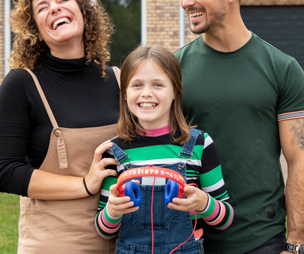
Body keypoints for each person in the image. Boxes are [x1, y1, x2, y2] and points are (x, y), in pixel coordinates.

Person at [174, 0, 304, 254]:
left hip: (261, 238)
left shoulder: (282, 68)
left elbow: (300, 159)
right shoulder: (173, 70)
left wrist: (295, 244)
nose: (186, 1)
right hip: (187, 238)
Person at [0, 0, 120, 253]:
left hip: (125, 240)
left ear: (84, 12)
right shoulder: (22, 84)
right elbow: (5, 172)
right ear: (35, 29)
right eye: (43, 7)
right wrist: (86, 184)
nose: (55, 8)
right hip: (56, 242)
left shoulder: (119, 80)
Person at [94, 45, 233, 254]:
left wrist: (204, 203)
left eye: (158, 84)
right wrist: (112, 211)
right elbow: (103, 231)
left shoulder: (200, 144)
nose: (147, 93)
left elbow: (226, 218)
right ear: (124, 94)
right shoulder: (113, 151)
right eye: (137, 85)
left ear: (176, 91)